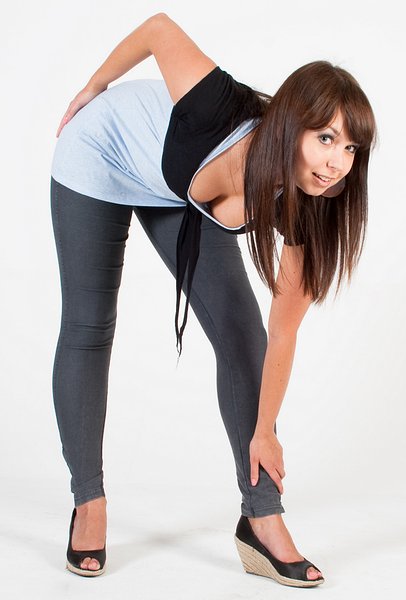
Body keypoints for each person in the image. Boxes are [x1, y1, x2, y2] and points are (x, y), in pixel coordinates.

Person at [51, 12, 376, 587]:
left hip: (175, 189)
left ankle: (262, 519)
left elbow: (282, 329)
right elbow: (158, 28)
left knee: (242, 332)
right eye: (325, 138)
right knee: (90, 325)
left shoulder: (310, 202)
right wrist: (93, 87)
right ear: (291, 125)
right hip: (102, 152)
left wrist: (265, 427)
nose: (337, 164)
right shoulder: (214, 106)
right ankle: (88, 499)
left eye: (351, 148)